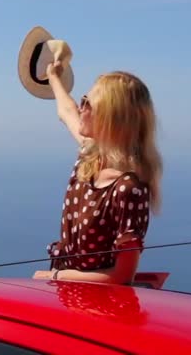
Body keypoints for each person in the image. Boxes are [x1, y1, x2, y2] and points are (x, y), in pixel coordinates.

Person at [33, 60, 162, 284]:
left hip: (94, 308)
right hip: (69, 295)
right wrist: (53, 76)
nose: (81, 108)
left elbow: (122, 277)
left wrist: (55, 276)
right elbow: (66, 111)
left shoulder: (128, 189)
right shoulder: (90, 156)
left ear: (110, 119)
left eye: (87, 103)